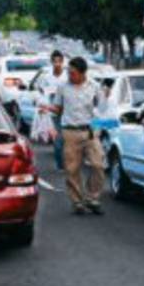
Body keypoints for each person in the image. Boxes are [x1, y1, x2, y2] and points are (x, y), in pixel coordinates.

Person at [51, 56, 106, 215]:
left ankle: (92, 198)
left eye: (73, 73)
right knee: (72, 169)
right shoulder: (63, 87)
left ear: (83, 73)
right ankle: (77, 201)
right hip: (70, 131)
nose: (70, 76)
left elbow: (102, 108)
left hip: (90, 131)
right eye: (69, 72)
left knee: (98, 165)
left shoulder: (94, 86)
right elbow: (58, 108)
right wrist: (47, 110)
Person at [36, 50, 68, 171]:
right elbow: (40, 92)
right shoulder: (46, 77)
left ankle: (70, 163)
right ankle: (61, 165)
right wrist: (42, 105)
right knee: (58, 142)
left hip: (68, 112)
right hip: (53, 113)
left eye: (59, 61)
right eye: (55, 61)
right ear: (51, 62)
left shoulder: (67, 76)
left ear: (62, 61)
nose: (57, 64)